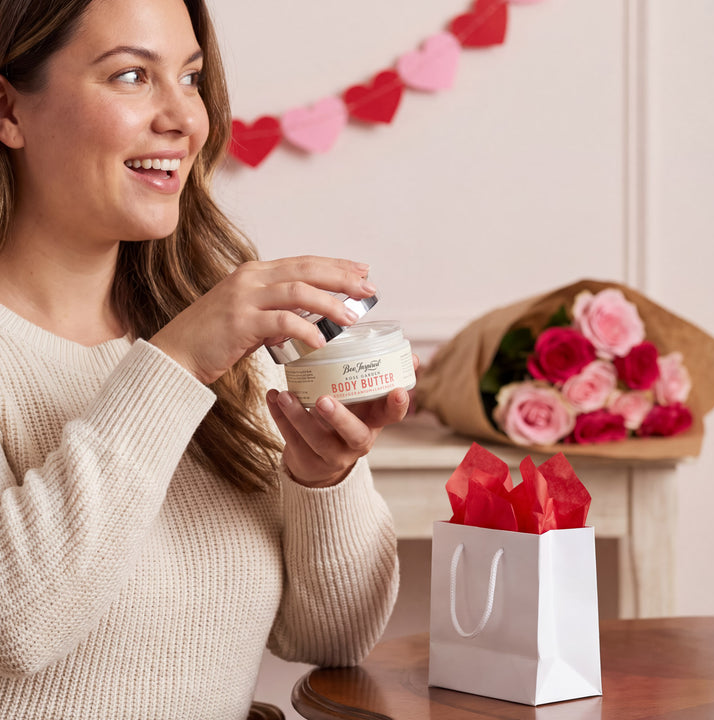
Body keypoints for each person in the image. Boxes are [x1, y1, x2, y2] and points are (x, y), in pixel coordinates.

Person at [0, 0, 411, 717]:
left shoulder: (218, 345)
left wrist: (322, 480)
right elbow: (18, 625)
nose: (186, 120)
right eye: (131, 76)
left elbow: (333, 638)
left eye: (190, 78)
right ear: (7, 109)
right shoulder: (193, 348)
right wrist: (177, 362)